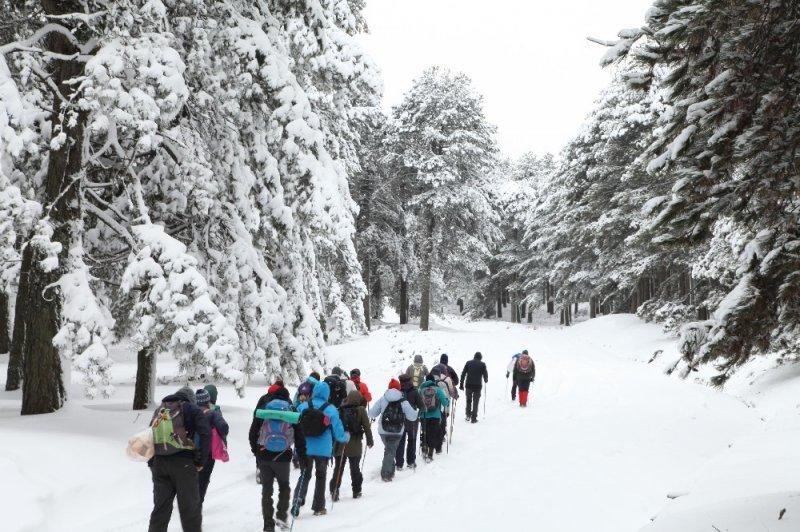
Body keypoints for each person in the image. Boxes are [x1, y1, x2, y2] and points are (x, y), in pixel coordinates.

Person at [148, 386, 210, 532]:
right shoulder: (192, 409)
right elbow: (206, 434)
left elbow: (149, 436)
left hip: (159, 464)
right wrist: (201, 461)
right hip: (184, 465)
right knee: (190, 509)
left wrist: (152, 463)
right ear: (191, 399)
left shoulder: (161, 410)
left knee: (160, 509)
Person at [249, 383, 306, 532]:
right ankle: (281, 516)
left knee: (266, 490)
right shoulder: (290, 411)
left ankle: (268, 524)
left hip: (264, 455)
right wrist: (302, 458)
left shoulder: (264, 410)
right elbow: (300, 437)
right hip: (283, 456)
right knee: (284, 487)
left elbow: (252, 433)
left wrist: (256, 451)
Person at [295, 380, 349, 516]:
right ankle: (318, 507)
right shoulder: (331, 409)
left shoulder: (303, 406)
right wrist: (345, 437)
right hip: (323, 449)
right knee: (320, 476)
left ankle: (297, 500)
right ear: (327, 394)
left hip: (305, 447)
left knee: (304, 474)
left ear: (314, 392)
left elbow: (295, 424)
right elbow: (338, 432)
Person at [368, 379, 418, 481]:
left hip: (383, 431)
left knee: (389, 449)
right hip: (397, 431)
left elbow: (372, 413)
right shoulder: (403, 401)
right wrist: (417, 412)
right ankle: (386, 474)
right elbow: (412, 417)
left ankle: (390, 471)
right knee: (390, 450)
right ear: (399, 388)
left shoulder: (383, 399)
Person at [330, 390, 373, 500]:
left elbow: (335, 427)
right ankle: (356, 490)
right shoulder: (361, 410)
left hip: (341, 443)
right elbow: (367, 427)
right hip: (355, 444)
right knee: (355, 468)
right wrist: (370, 441)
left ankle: (334, 490)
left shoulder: (340, 409)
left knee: (339, 468)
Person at [196, 387, 229, 503]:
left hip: (190, 451)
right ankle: (197, 504)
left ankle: (189, 501)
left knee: (191, 477)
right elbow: (224, 428)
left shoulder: (190, 411)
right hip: (208, 453)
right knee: (203, 479)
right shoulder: (213, 412)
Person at [417, 375, 449, 463]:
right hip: (435, 416)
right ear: (433, 381)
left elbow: (417, 403)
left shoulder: (420, 390)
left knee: (424, 432)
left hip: (423, 415)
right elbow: (445, 403)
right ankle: (430, 453)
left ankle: (424, 448)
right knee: (433, 433)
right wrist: (447, 400)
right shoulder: (438, 390)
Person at [396, 374, 422, 470]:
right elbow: (422, 406)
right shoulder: (415, 391)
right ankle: (411, 462)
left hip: (400, 420)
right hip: (412, 421)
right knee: (412, 441)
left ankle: (399, 464)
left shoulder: (397, 392)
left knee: (400, 442)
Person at [430, 365, 457, 453]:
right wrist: (455, 395)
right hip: (443, 406)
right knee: (442, 423)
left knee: (433, 424)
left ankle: (431, 442)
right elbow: (452, 391)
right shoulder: (447, 379)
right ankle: (440, 440)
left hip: (430, 407)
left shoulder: (430, 379)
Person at [459, 352, 488, 423]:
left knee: (468, 400)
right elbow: (485, 374)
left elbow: (463, 373)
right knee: (476, 402)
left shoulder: (468, 363)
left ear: (474, 356)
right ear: (480, 358)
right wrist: (486, 379)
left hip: (468, 385)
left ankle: (468, 415)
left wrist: (461, 384)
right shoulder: (482, 364)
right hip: (478, 386)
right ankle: (474, 418)